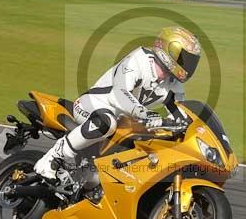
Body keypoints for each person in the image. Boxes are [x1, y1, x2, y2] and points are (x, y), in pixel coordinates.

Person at [34, 26, 202, 180]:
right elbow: (119, 94)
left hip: (123, 123)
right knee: (107, 123)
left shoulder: (173, 85)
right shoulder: (140, 60)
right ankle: (54, 156)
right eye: (185, 59)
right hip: (93, 105)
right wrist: (145, 113)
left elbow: (182, 114)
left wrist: (196, 131)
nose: (188, 66)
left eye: (191, 62)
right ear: (170, 49)